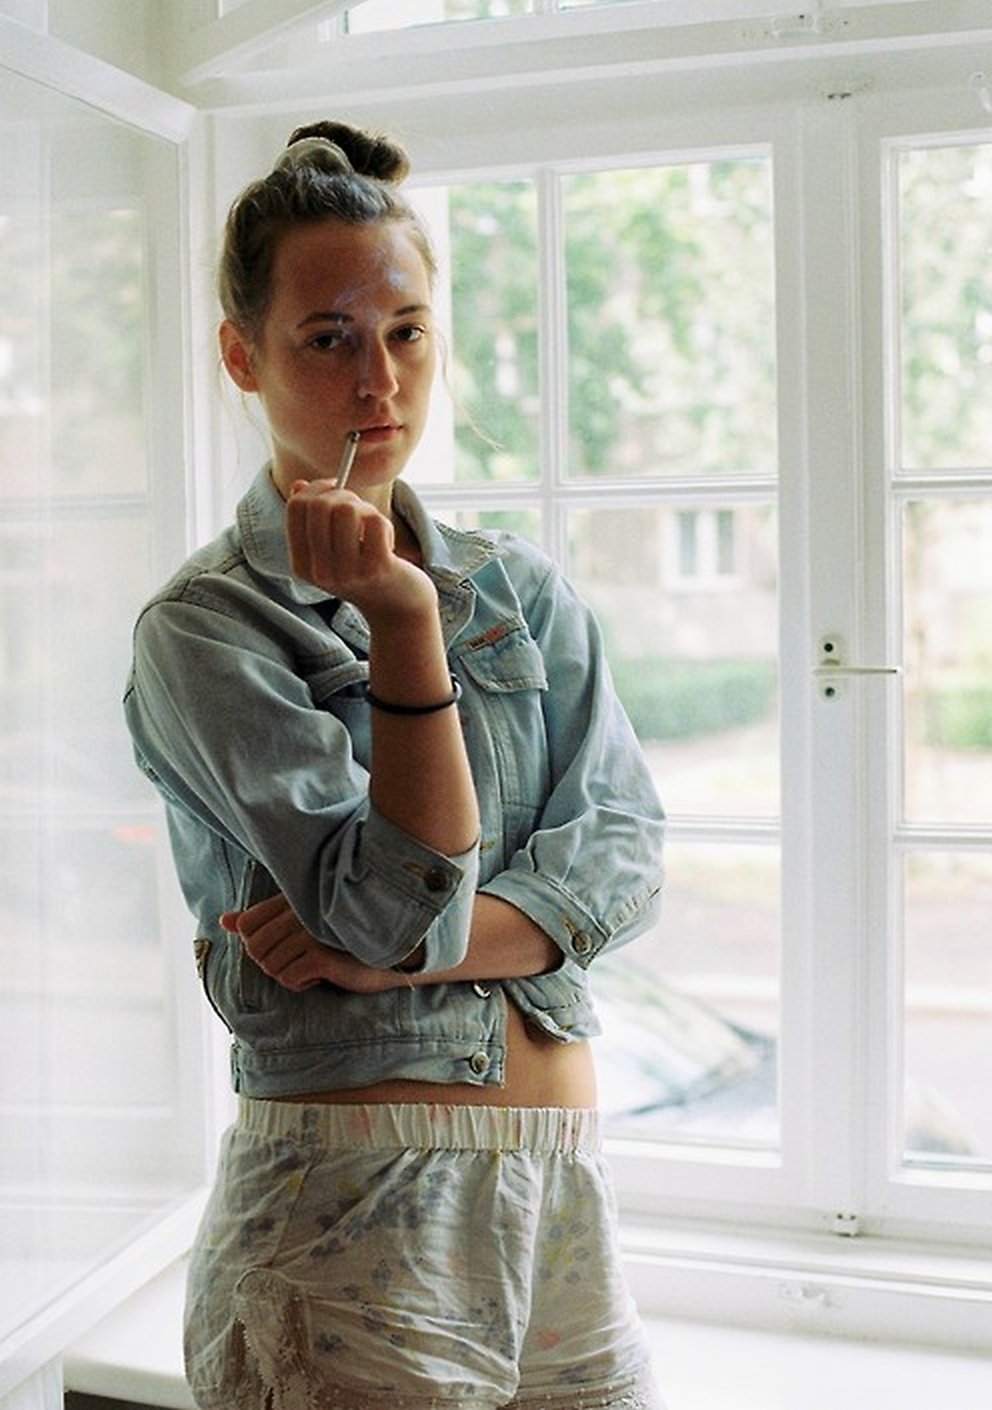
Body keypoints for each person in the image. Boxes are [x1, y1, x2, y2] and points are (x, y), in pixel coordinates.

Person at [125, 119, 668, 1410]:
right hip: (346, 1215)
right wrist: (404, 621)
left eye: (408, 332)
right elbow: (390, 904)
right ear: (242, 355)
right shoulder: (207, 627)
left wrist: (404, 958)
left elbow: (625, 856)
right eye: (329, 338)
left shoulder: (520, 590)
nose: (380, 380)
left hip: (562, 1198)